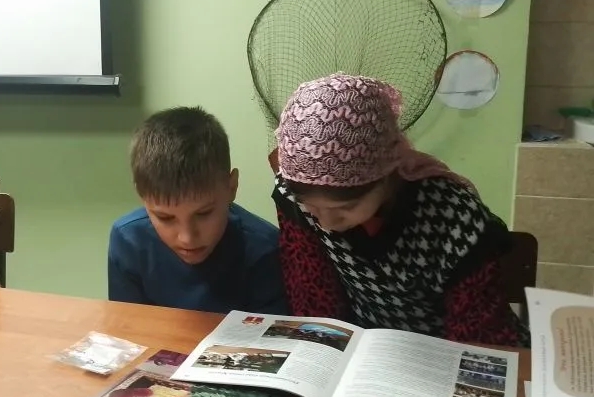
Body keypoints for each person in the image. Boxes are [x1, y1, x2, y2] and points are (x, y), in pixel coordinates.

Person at [273, 73, 525, 345]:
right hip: (366, 347)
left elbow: (480, 334)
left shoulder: (452, 214)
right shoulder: (292, 196)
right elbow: (313, 301)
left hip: (443, 349)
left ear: (387, 175)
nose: (326, 223)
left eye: (346, 208)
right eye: (311, 208)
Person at [107, 107, 287, 315]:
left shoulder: (265, 249)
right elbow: (128, 326)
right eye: (165, 218)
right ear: (142, 195)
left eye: (203, 214)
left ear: (231, 187)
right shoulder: (128, 240)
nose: (187, 238)